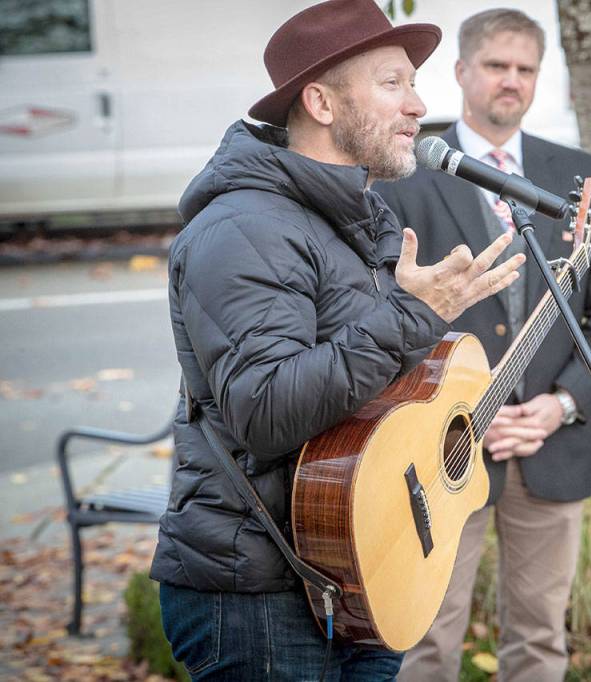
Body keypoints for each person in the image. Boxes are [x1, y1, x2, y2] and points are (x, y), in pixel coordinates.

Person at [149, 1, 527, 680]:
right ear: (321, 102)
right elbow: (266, 411)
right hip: (262, 593)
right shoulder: (243, 229)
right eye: (393, 83)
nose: (419, 105)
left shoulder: (360, 217)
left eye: (414, 83)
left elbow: (370, 397)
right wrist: (415, 315)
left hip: (362, 569)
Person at [374, 9, 591, 682]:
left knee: (542, 640)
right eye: (496, 66)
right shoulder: (407, 173)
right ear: (462, 73)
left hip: (551, 445)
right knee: (427, 640)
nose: (510, 81)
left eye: (524, 69)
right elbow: (384, 312)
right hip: (440, 449)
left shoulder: (576, 172)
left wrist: (562, 405)